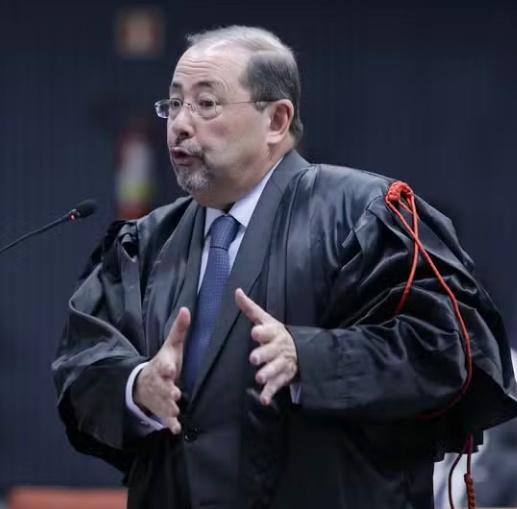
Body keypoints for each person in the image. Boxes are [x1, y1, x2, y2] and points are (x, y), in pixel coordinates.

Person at [53, 25, 517, 509]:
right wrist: (136, 387)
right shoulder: (146, 243)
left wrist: (309, 358)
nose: (180, 125)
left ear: (276, 120)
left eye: (206, 103)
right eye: (174, 103)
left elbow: (451, 351)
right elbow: (81, 363)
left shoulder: (363, 215)